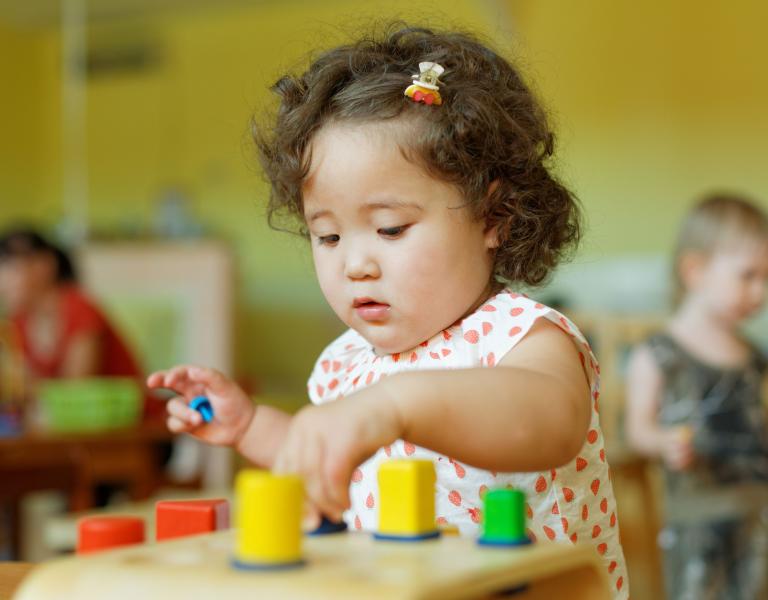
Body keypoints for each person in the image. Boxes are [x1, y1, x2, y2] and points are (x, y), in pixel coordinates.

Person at [148, 25, 628, 596]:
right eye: (326, 237)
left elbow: (547, 422)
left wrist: (393, 404)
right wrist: (252, 426)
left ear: (493, 216)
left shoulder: (522, 337)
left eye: (390, 228)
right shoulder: (346, 363)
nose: (355, 264)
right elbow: (336, 456)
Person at [625, 194, 768, 599]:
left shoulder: (755, 358)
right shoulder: (659, 355)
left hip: (758, 512)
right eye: (748, 275)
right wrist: (664, 441)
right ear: (695, 270)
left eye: (767, 278)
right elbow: (638, 431)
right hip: (696, 518)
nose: (760, 292)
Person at [0, 229, 162, 419]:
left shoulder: (79, 310)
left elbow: (75, 391)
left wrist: (24, 390)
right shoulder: (18, 322)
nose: (3, 281)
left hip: (134, 427)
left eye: (9, 268)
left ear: (45, 265)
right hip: (75, 432)